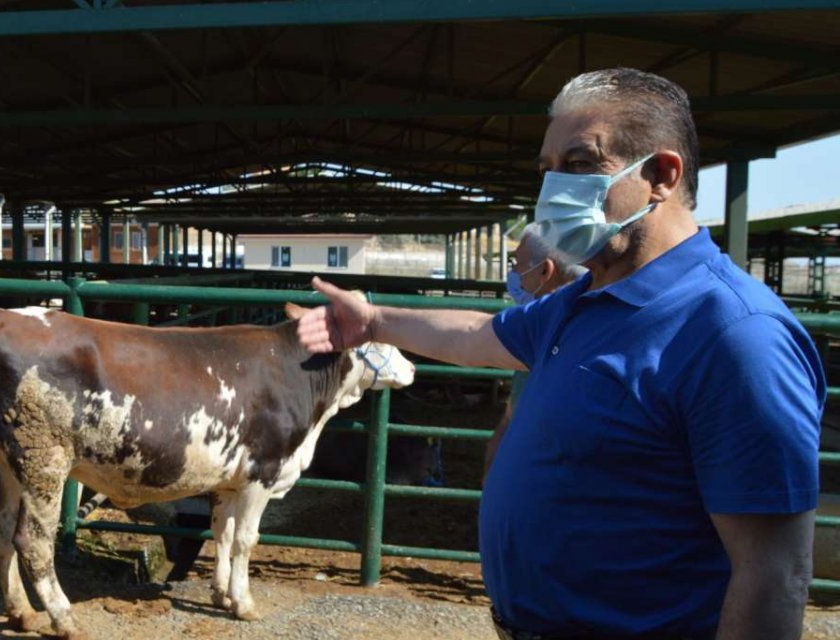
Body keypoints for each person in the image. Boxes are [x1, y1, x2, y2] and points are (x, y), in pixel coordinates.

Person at [300, 68, 824, 639]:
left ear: (661, 175)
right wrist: (374, 320)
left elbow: (774, 570)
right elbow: (478, 336)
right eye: (548, 171)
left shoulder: (734, 334)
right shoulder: (582, 300)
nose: (553, 191)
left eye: (579, 164)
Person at [483, 224, 587, 482]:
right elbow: (512, 412)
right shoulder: (539, 330)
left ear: (545, 270)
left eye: (517, 263)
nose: (514, 273)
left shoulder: (562, 333)